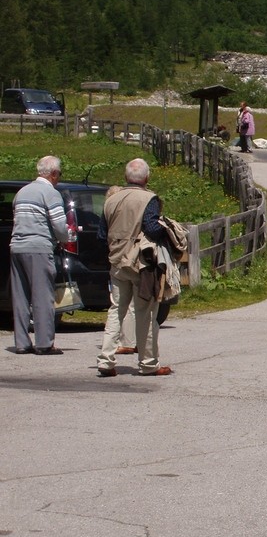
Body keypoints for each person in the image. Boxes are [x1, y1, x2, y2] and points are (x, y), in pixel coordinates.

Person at [96, 158, 171, 377]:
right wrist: (166, 228)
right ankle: (148, 363)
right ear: (146, 178)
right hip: (141, 264)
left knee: (115, 311)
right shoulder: (150, 199)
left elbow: (102, 234)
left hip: (117, 262)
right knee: (145, 313)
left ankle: (105, 360)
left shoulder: (111, 200)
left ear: (126, 177)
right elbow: (151, 227)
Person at [9, 156, 71, 355]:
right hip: (39, 247)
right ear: (53, 174)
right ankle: (44, 343)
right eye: (59, 174)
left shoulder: (22, 192)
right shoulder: (50, 193)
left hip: (17, 246)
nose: (59, 178)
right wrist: (66, 237)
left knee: (20, 296)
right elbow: (60, 226)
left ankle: (21, 342)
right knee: (42, 296)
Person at [100, 186, 137, 356]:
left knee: (119, 304)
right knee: (135, 304)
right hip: (135, 257)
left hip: (117, 259)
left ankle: (124, 343)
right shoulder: (131, 210)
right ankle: (133, 341)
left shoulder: (109, 212)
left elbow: (101, 235)